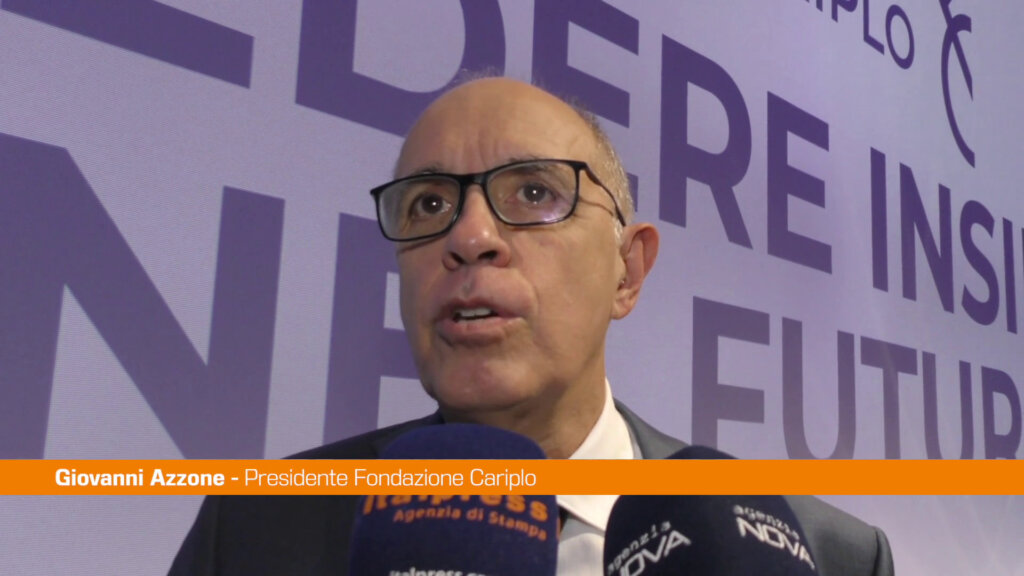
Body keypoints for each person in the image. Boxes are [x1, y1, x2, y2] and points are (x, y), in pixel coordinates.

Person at [169, 77, 894, 576]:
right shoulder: (254, 532)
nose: (469, 236)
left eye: (536, 192)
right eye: (428, 204)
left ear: (627, 272)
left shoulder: (832, 556)